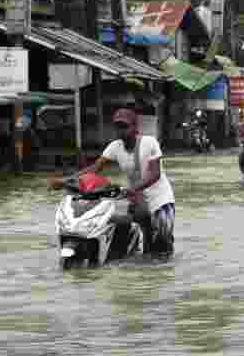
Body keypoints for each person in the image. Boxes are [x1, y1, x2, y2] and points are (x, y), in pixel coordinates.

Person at [48, 108, 175, 256]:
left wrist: (131, 189)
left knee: (163, 243)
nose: (121, 130)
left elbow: (155, 175)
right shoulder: (115, 147)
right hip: (137, 199)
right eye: (118, 126)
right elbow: (94, 169)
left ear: (135, 127)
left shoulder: (149, 142)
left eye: (125, 126)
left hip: (160, 200)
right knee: (141, 242)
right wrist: (65, 181)